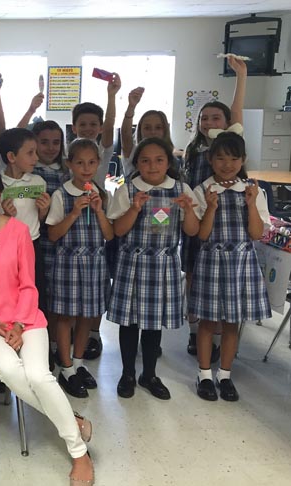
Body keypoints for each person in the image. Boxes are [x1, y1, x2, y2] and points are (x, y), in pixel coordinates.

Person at [0, 165, 94, 485]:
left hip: (26, 318)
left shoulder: (18, 230)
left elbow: (29, 283)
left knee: (39, 375)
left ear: (0, 196)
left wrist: (18, 325)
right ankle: (73, 421)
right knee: (11, 372)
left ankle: (78, 452)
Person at [106, 138, 200, 400]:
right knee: (129, 322)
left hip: (163, 264)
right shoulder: (127, 188)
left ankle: (149, 374)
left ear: (169, 163)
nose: (152, 166)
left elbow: (192, 230)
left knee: (153, 324)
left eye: (159, 160)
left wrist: (188, 210)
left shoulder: (181, 189)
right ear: (137, 163)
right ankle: (127, 373)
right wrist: (134, 208)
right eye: (145, 160)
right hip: (132, 263)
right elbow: (118, 230)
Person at [190, 132, 270, 402]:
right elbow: (201, 235)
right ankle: (204, 374)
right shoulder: (202, 190)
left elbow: (256, 234)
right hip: (212, 262)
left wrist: (251, 205)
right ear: (210, 159)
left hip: (241, 263)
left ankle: (224, 375)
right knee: (207, 321)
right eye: (221, 158)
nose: (227, 164)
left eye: (234, 159)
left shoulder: (252, 190)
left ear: (243, 160)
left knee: (231, 322)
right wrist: (211, 208)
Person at [181, 57, 247, 356]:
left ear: (227, 123)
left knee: (221, 283)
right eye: (204, 118)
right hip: (196, 218)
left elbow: (237, 113)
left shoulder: (229, 146)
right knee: (194, 276)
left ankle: (218, 337)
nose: (209, 122)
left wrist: (241, 77)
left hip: (224, 224)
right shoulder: (193, 149)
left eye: (216, 118)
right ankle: (196, 330)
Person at [46, 139, 113, 398]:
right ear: (69, 164)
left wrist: (98, 211)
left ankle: (79, 362)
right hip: (68, 264)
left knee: (87, 316)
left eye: (92, 163)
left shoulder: (101, 194)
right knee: (66, 317)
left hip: (95, 263)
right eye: (80, 163)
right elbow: (53, 234)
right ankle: (66, 368)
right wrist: (74, 213)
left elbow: (109, 235)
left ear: (98, 164)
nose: (86, 168)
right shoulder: (61, 194)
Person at [68, 72, 121, 359]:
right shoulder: (69, 153)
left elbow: (111, 126)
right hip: (74, 220)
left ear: (99, 127)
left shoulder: (102, 151)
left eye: (93, 124)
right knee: (75, 284)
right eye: (82, 124)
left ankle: (93, 334)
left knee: (98, 283)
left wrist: (112, 96)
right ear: (74, 126)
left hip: (100, 219)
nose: (88, 129)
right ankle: (74, 333)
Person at [30, 121, 71, 368]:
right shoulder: (28, 171)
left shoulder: (67, 172)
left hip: (60, 243)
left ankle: (54, 345)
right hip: (35, 242)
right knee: (38, 295)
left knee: (56, 297)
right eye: (44, 142)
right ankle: (38, 345)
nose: (50, 147)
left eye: (56, 142)